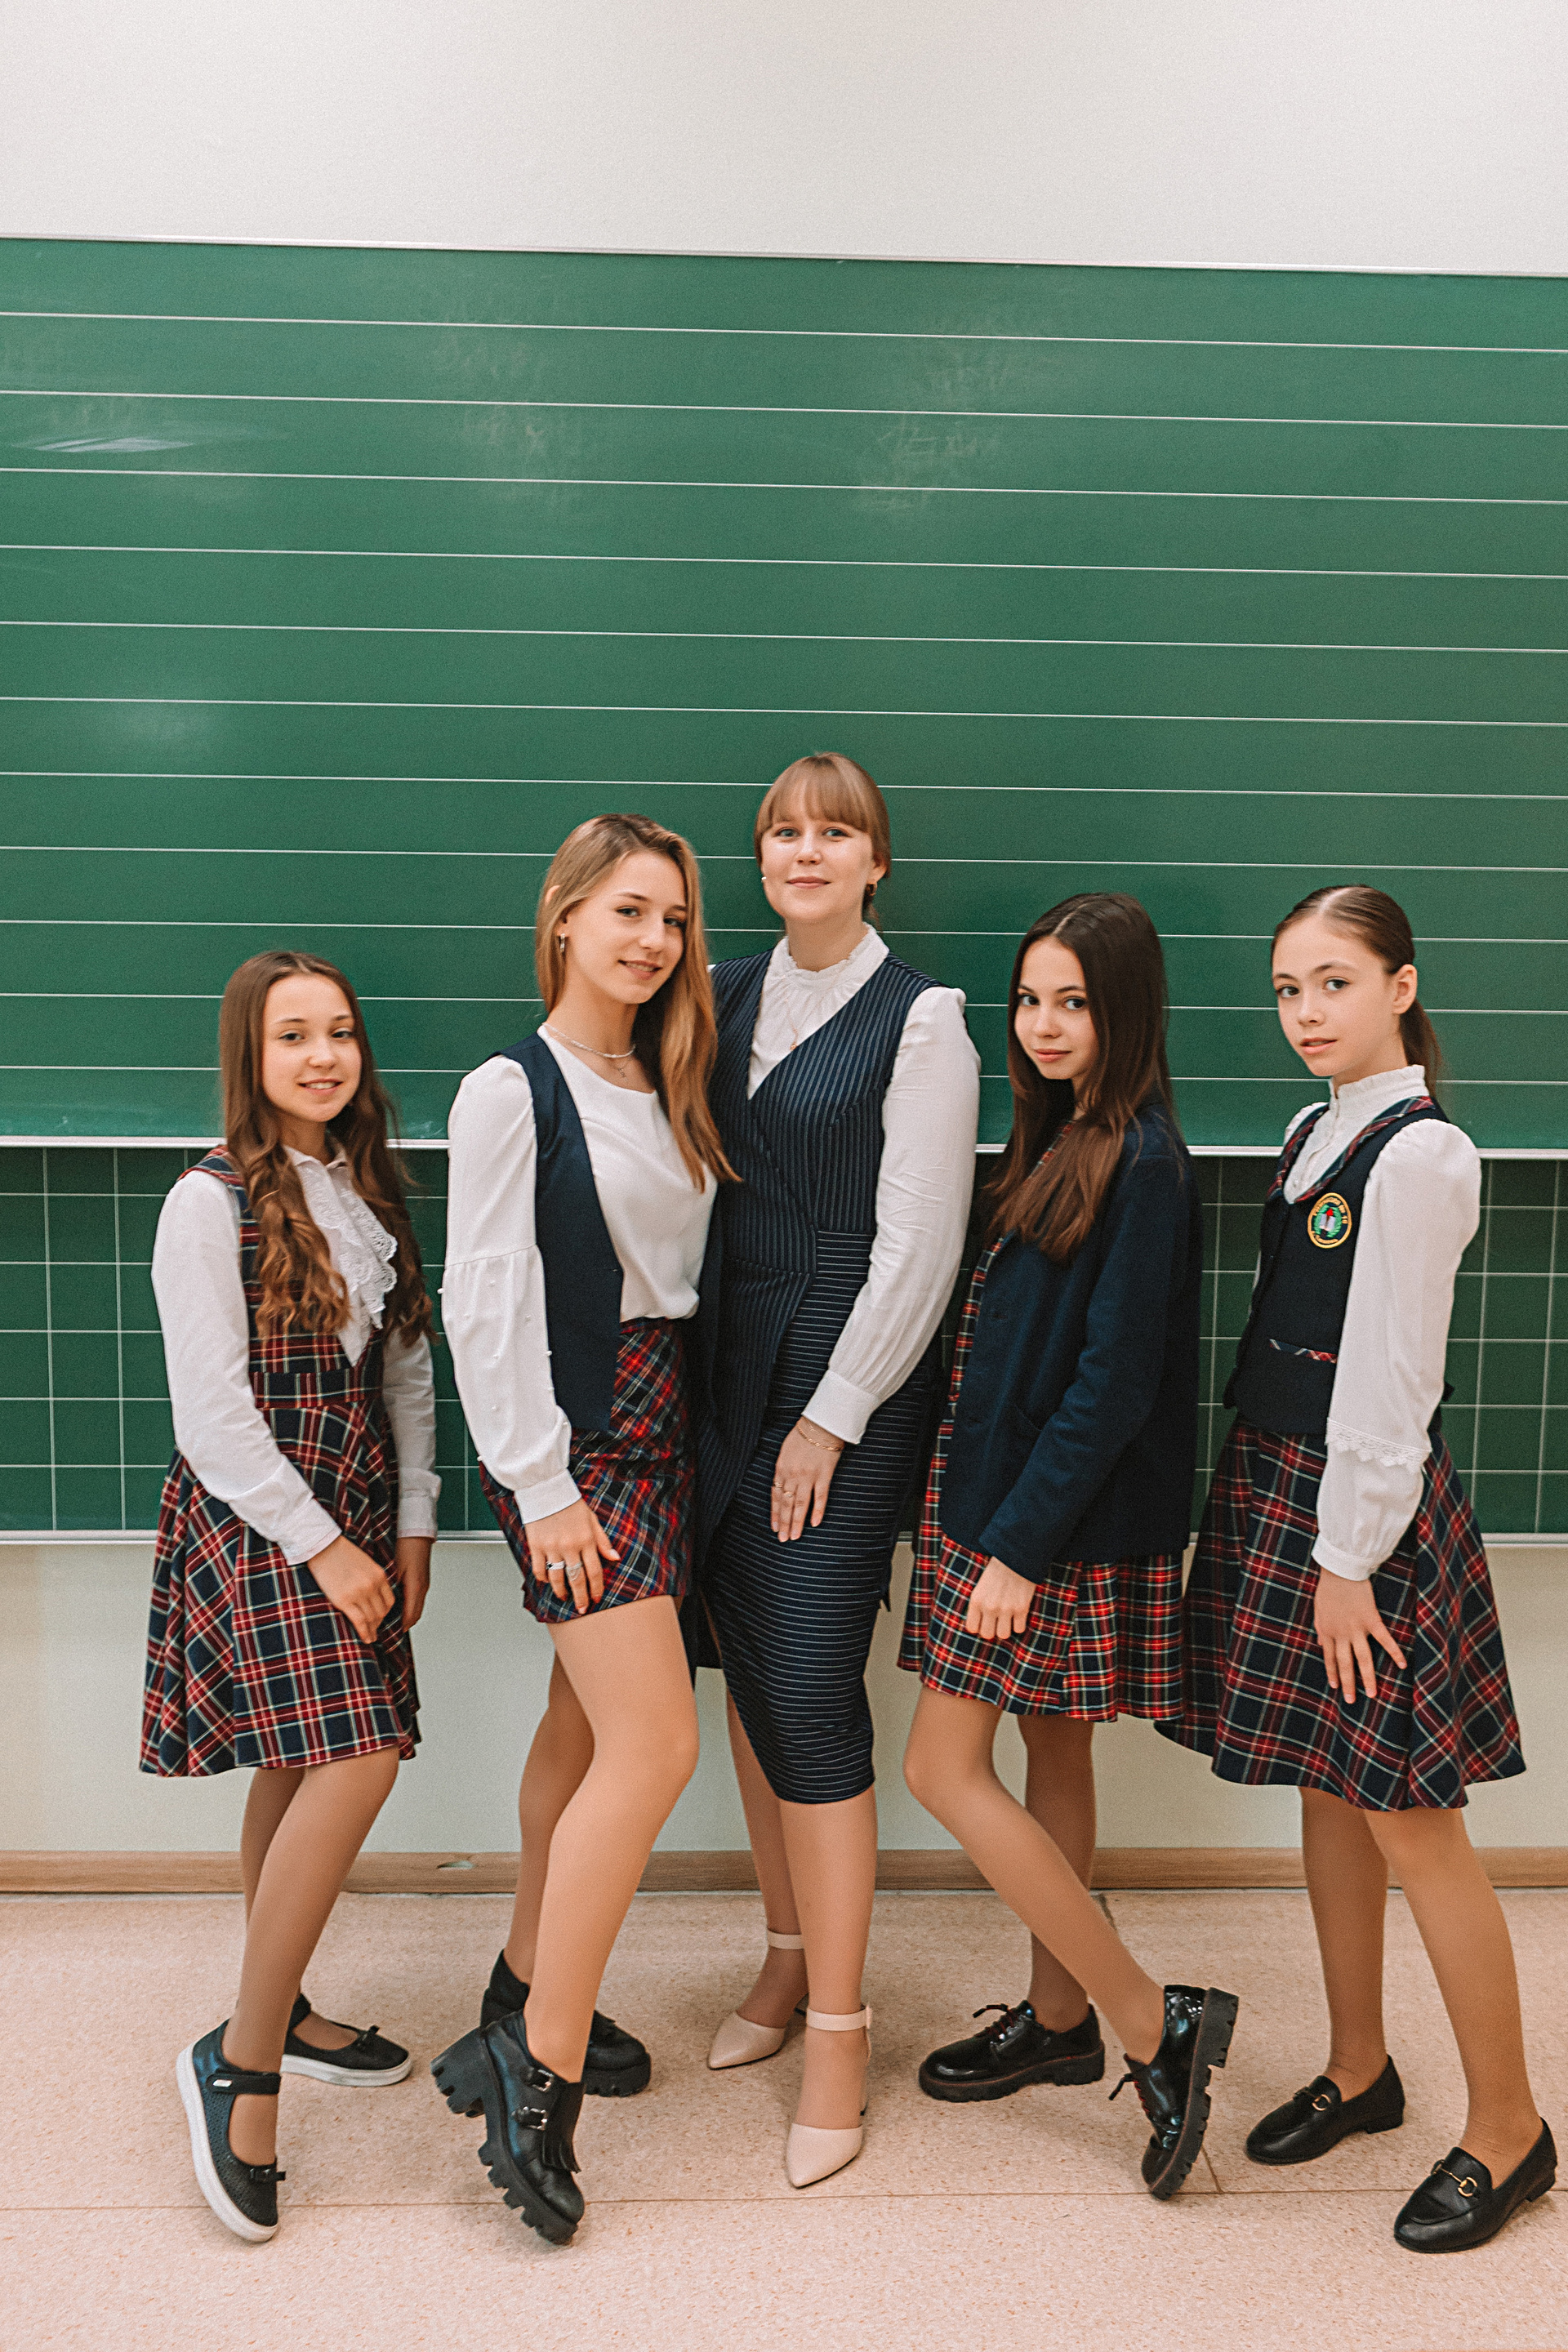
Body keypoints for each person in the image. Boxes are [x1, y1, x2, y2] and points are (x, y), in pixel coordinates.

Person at [1165, 884, 1553, 2253]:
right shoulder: (1310, 1130)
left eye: (1333, 983)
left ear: (1401, 986)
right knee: (1331, 1790)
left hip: (1359, 1517)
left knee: (1414, 1821)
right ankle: (1359, 2067)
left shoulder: (1423, 1154)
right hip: (1284, 1484)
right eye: (1288, 989)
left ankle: (1509, 2130)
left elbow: (1393, 1378)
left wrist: (1347, 1561)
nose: (1306, 1012)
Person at [899, 893, 1239, 2200]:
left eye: (1075, 1004)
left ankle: (1149, 2021)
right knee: (1052, 1750)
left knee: (940, 1766)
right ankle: (1056, 2021)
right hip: (1002, 1505)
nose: (1045, 1026)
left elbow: (1112, 1386)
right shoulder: (1058, 1137)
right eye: (1031, 1001)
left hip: (1047, 1530)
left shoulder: (1142, 1162)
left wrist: (1016, 1552)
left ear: (1126, 1010)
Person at [432, 812, 731, 2244]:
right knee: (656, 1745)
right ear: (565, 916)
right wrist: (541, 1483)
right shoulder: (514, 1086)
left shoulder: (665, 1076)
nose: (653, 940)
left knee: (582, 1729)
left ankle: (518, 1983)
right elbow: (483, 1297)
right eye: (627, 911)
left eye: (672, 918)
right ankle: (535, 2070)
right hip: (572, 1430)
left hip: (661, 1418)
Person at [692, 751, 979, 2188]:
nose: (805, 852)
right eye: (783, 832)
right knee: (749, 1676)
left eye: (835, 833)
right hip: (715, 1372)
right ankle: (785, 1954)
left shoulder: (925, 1020)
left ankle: (839, 2036)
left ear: (877, 861)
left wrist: (833, 1415)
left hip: (841, 1382)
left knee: (809, 1689)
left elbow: (921, 1245)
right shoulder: (717, 992)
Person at [145, 949, 439, 2243]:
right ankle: (241, 2062)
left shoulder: (369, 1193)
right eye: (293, 1037)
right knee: (358, 1758)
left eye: (340, 1033)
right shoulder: (204, 1205)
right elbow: (211, 1417)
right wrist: (326, 1547)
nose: (323, 1057)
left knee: (299, 1760)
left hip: (358, 1505)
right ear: (250, 1059)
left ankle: (286, 1998)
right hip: (261, 1515)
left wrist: (413, 1521)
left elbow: (407, 1375)